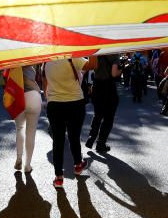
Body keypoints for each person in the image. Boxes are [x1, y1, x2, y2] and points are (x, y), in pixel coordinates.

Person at [43, 55, 97, 189]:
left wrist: (50, 97)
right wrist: (93, 49)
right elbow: (93, 65)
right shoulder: (72, 58)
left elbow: (45, 85)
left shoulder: (46, 61)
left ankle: (59, 177)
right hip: (75, 103)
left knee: (58, 142)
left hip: (55, 104)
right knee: (74, 137)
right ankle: (78, 165)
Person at [85, 54, 121, 153]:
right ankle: (101, 143)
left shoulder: (97, 52)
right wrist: (121, 70)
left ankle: (91, 137)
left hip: (96, 85)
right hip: (108, 87)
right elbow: (114, 73)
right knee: (108, 118)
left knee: (97, 114)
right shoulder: (114, 54)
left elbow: (91, 67)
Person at [11, 65, 43, 173]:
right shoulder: (29, 62)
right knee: (31, 132)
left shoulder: (12, 65)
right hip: (33, 96)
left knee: (19, 128)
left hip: (18, 96)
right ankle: (27, 165)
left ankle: (19, 157)